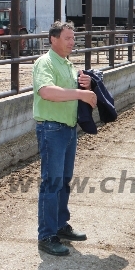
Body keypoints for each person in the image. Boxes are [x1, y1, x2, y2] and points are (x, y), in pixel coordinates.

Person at [34, 21, 97, 256]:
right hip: (52, 129)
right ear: (53, 39)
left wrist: (86, 83)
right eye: (67, 38)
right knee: (52, 182)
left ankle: (60, 225)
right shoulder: (45, 63)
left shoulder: (68, 64)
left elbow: (69, 90)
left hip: (67, 129)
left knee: (63, 180)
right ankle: (46, 235)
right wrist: (80, 93)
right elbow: (46, 91)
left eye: (73, 38)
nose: (72, 42)